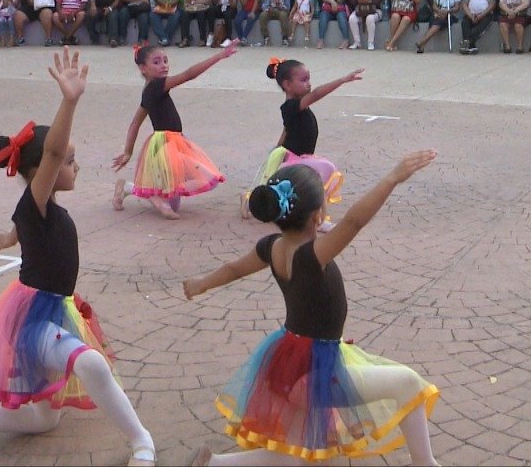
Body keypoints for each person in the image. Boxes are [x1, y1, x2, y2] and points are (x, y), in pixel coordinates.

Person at [0, 49, 157, 466]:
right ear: (42, 170)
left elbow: (19, 224)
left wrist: (9, 236)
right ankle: (142, 442)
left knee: (44, 420)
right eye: (70, 160)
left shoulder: (33, 209)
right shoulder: (38, 200)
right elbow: (49, 156)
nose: (76, 166)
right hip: (35, 317)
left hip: (52, 308)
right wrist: (70, 101)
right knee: (92, 365)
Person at [185, 150, 440, 467]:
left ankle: (213, 464)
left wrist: (201, 283)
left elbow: (233, 269)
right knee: (408, 384)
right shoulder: (312, 256)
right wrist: (392, 178)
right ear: (318, 215)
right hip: (315, 371)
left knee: (297, 457)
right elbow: (354, 221)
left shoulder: (272, 248)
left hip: (288, 363)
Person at [111, 43, 234, 220]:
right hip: (165, 145)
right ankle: (154, 197)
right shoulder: (156, 87)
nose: (164, 65)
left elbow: (134, 124)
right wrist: (219, 56)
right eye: (157, 62)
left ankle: (128, 188)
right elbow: (188, 75)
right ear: (143, 68)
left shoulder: (150, 90)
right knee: (197, 174)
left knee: (174, 201)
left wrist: (128, 152)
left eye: (166, 60)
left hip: (174, 142)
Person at [240, 59, 362, 218]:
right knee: (318, 178)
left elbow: (287, 130)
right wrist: (342, 80)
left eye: (309, 79)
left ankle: (250, 199)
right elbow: (316, 94)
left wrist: (276, 150)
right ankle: (320, 219)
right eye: (303, 80)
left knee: (285, 192)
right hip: (295, 159)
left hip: (303, 157)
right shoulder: (291, 106)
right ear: (287, 85)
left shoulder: (297, 106)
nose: (309, 84)